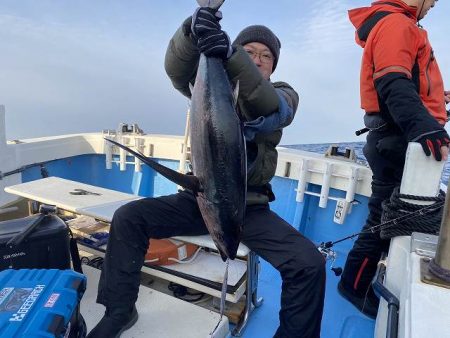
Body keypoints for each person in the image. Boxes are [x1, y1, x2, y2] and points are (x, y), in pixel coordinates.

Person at [86, 7, 326, 338]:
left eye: (266, 56)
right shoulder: (211, 84)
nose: (257, 60)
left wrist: (230, 53)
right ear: (239, 53)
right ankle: (119, 311)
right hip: (200, 195)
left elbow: (271, 107)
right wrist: (191, 31)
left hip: (248, 207)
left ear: (273, 66)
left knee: (308, 263)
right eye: (249, 52)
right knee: (129, 217)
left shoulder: (284, 94)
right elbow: (175, 69)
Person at [339, 0, 449, 319]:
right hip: (396, 142)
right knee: (383, 220)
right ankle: (353, 286)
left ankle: (367, 278)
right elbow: (392, 81)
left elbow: (407, 81)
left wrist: (436, 99)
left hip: (393, 139)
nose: (434, 6)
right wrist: (424, 126)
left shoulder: (397, 24)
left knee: (390, 217)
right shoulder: (397, 24)